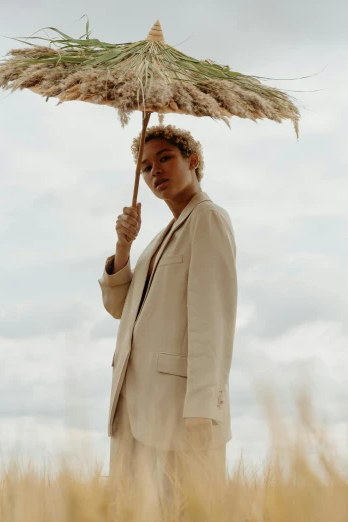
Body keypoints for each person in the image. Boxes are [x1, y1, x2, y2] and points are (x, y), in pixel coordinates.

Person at [98, 124, 237, 516]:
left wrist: (202, 407)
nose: (154, 171)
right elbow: (119, 308)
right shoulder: (158, 240)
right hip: (137, 407)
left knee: (183, 510)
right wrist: (123, 248)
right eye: (145, 166)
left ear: (192, 161)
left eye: (164, 158)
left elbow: (214, 318)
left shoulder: (207, 219)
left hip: (180, 413)